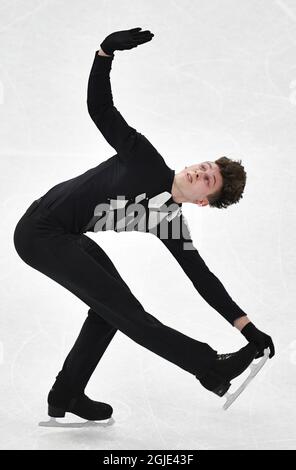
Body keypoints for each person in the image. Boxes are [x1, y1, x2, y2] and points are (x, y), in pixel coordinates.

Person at [13, 28, 275, 421]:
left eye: (208, 179)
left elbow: (202, 278)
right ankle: (209, 367)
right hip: (39, 230)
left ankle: (66, 393)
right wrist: (104, 53)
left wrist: (247, 329)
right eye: (204, 166)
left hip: (64, 236)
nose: (200, 171)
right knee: (128, 312)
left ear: (203, 200)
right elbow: (101, 110)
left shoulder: (168, 219)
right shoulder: (145, 159)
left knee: (109, 311)